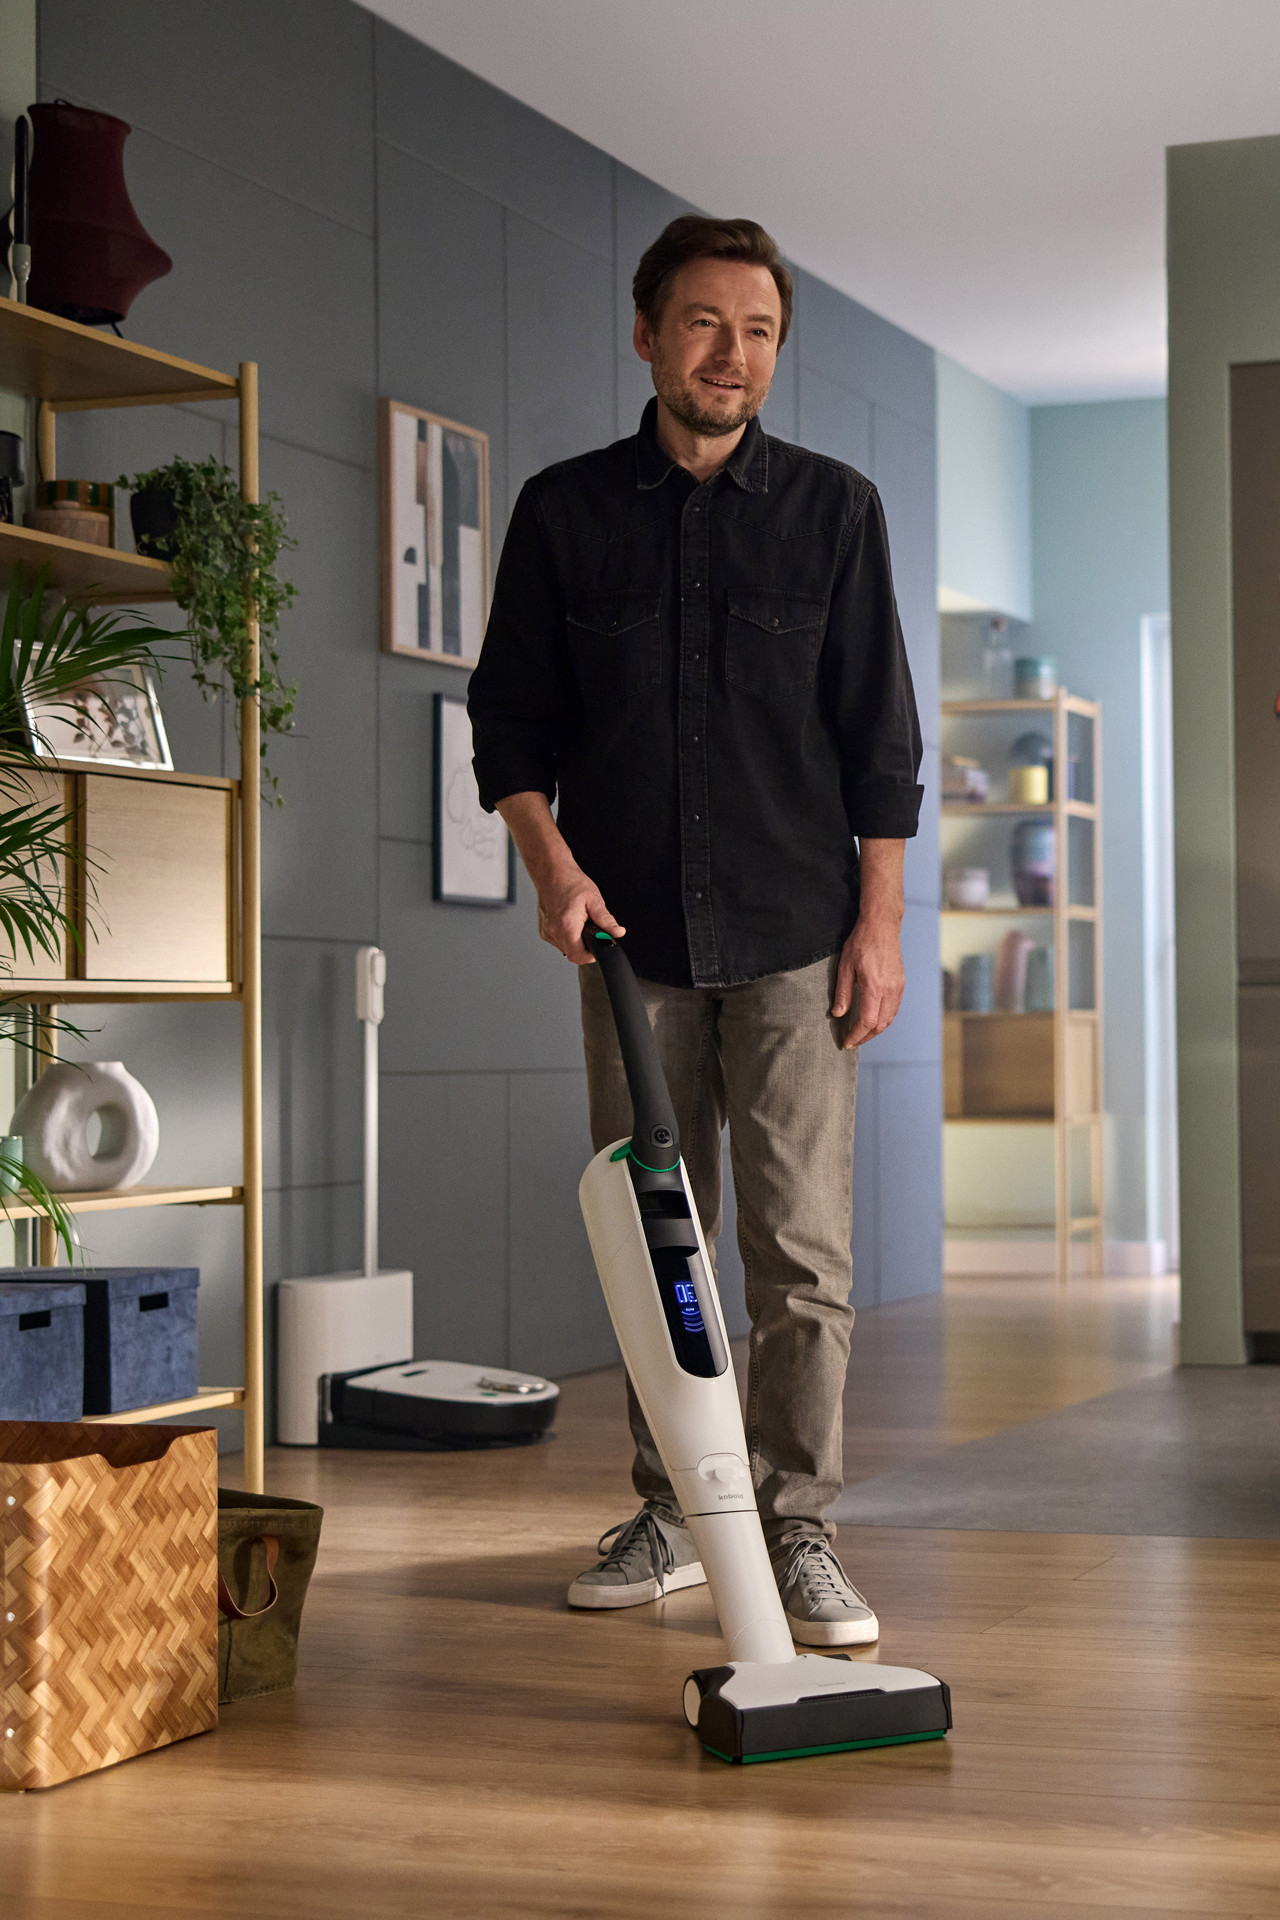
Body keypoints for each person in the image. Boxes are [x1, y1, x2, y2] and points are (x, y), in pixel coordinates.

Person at [468, 215, 922, 1646]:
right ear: (650, 334)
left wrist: (881, 923)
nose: (734, 355)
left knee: (801, 1254)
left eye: (760, 331)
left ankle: (796, 1532)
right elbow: (512, 722)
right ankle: (675, 1511)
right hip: (630, 942)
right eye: (706, 324)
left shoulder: (838, 511)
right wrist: (549, 865)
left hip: (799, 931)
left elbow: (880, 737)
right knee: (658, 1241)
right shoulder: (564, 512)